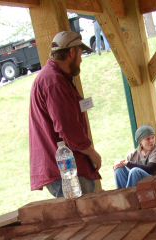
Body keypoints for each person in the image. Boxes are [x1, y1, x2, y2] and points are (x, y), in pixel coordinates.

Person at [29, 31, 102, 198]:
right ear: (71, 53)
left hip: (66, 167)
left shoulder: (55, 78)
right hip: (66, 170)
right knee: (84, 219)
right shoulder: (54, 82)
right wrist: (91, 152)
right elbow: (67, 127)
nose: (81, 59)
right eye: (80, 53)